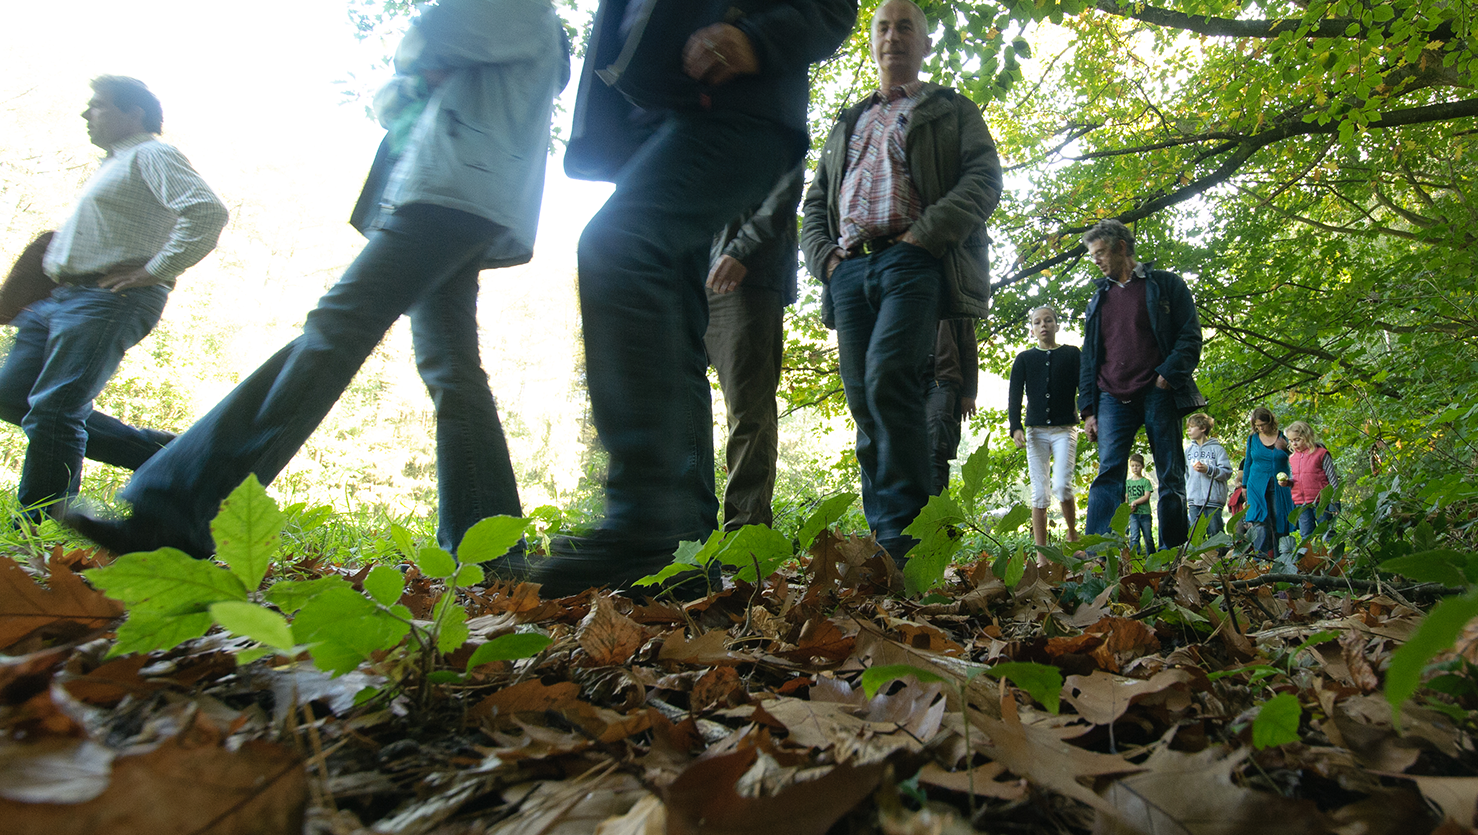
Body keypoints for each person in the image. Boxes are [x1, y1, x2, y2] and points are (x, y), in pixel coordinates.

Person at [65, 0, 569, 559]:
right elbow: (395, 101)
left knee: (336, 329)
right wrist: (414, 77)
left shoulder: (519, 9)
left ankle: (174, 513)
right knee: (452, 370)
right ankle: (489, 553)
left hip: (453, 195)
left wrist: (418, 67)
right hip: (456, 195)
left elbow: (429, 37)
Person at [535, 0, 858, 594]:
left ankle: (654, 521)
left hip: (737, 105)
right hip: (660, 123)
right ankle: (678, 543)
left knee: (617, 248)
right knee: (670, 318)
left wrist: (757, 35)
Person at [800, 0, 1000, 562]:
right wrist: (827, 261)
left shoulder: (951, 110)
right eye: (883, 27)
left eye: (904, 26)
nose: (893, 36)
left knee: (891, 379)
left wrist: (925, 237)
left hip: (913, 260)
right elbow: (817, 202)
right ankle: (886, 544)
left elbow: (984, 178)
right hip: (848, 270)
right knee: (865, 403)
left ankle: (905, 544)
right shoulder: (848, 121)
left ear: (924, 42)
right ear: (872, 41)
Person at [0, 76, 226, 524]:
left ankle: (38, 525)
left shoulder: (151, 152)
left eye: (98, 105)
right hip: (60, 300)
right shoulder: (115, 163)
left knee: (56, 409)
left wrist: (154, 271)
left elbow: (206, 210)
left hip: (108, 300)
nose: (87, 114)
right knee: (11, 396)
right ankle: (169, 456)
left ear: (134, 113)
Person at [1078, 219, 1204, 551]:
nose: (1097, 261)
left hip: (1157, 391)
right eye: (1093, 256)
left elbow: (1190, 337)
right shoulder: (1097, 300)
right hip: (1110, 397)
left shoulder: (1165, 285)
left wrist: (1167, 375)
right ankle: (1097, 557)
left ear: (1121, 247)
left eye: (1101, 253)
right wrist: (1088, 409)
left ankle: (1173, 555)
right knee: (1108, 476)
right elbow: (1089, 357)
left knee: (1171, 475)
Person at [704, 168, 802, 531]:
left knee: (748, 409)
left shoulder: (767, 114)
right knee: (679, 408)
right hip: (682, 271)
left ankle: (745, 539)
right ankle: (685, 531)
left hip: (744, 273)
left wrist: (743, 247)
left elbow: (785, 183)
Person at [1007, 305, 1080, 549]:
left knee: (1061, 484)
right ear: (1032, 330)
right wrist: (1015, 426)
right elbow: (1014, 394)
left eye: (1048, 321)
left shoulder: (1072, 354)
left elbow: (1086, 387)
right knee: (1040, 493)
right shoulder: (1025, 359)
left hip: (1064, 429)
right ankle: (1042, 555)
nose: (1043, 325)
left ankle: (1072, 534)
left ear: (1057, 325)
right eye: (1037, 322)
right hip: (1035, 432)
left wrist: (1091, 415)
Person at [928, 318, 978, 492]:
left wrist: (969, 393)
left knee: (937, 445)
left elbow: (968, 345)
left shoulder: (954, 293)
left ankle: (938, 516)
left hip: (944, 377)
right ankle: (913, 515)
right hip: (908, 380)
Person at [1243, 407, 1294, 558]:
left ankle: (1284, 559)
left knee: (1280, 521)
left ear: (1270, 421)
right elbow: (1248, 462)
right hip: (1256, 486)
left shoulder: (1283, 437)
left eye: (1263, 425)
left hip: (1280, 486)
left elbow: (1298, 458)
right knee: (1260, 523)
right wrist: (1244, 486)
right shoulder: (1253, 438)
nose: (1260, 428)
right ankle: (1261, 561)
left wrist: (1286, 450)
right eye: (1257, 426)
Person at [1286, 420, 1341, 538]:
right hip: (1301, 503)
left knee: (1327, 532)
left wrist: (1335, 501)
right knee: (1306, 535)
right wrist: (1286, 482)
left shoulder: (1320, 454)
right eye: (1291, 441)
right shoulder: (1292, 458)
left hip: (1321, 501)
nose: (1294, 444)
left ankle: (1332, 555)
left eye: (1297, 440)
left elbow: (1332, 479)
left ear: (1307, 437)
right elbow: (1294, 479)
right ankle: (1310, 556)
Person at [1183, 412, 1233, 539]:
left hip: (1213, 499)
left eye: (1192, 427)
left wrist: (1209, 469)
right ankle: (1199, 558)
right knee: (1195, 535)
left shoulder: (1217, 450)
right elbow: (1185, 474)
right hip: (1194, 499)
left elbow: (1226, 472)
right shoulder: (1188, 451)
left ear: (1203, 428)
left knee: (1215, 533)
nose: (1188, 430)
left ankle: (1220, 557)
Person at [1125, 453, 1155, 555]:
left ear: (1142, 466)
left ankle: (1151, 556)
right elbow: (1126, 497)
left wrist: (1135, 502)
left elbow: (1146, 496)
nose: (1135, 468)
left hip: (1145, 513)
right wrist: (1127, 507)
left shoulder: (1145, 482)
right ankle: (1134, 558)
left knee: (1148, 537)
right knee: (1134, 536)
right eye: (1133, 466)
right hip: (1133, 514)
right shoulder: (1127, 483)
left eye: (1137, 465)